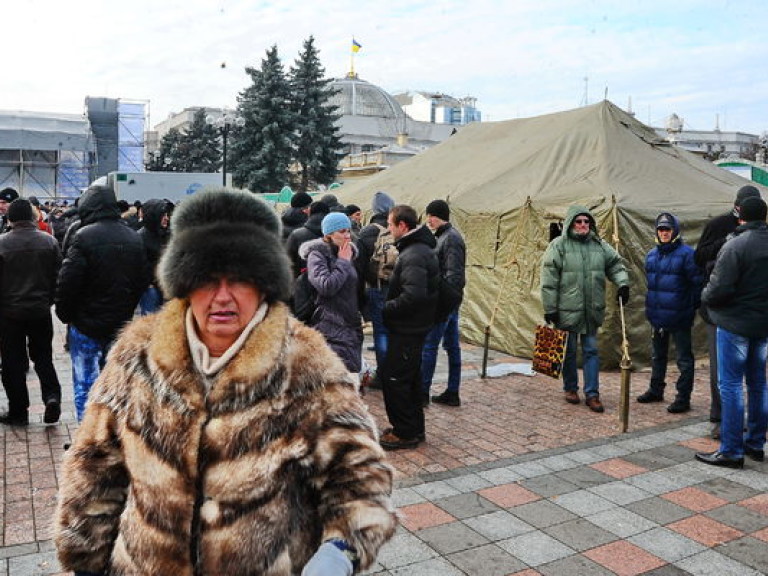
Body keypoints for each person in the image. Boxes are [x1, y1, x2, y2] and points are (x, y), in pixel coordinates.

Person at [54, 189, 396, 576]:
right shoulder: (137, 356)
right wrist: (85, 559)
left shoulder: (306, 365)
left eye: (240, 280)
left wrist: (340, 549)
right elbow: (95, 467)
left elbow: (358, 473)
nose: (222, 297)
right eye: (205, 279)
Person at [54, 180, 148, 420]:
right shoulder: (133, 237)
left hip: (86, 324)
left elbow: (68, 280)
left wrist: (66, 314)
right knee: (116, 384)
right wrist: (127, 309)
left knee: (85, 385)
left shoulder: (83, 236)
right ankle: (112, 434)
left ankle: (88, 440)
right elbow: (141, 280)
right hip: (119, 323)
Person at [696, 197, 768, 469]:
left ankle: (731, 450)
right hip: (762, 325)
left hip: (734, 324)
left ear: (741, 217)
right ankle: (756, 443)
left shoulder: (735, 245)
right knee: (759, 383)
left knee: (732, 386)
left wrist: (704, 295)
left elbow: (717, 289)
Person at [540, 205, 629, 413]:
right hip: (566, 310)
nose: (582, 225)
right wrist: (550, 307)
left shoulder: (599, 245)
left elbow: (615, 265)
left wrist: (623, 283)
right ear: (571, 223)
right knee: (569, 352)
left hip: (591, 310)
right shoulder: (559, 246)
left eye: (586, 222)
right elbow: (549, 279)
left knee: (591, 351)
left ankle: (592, 394)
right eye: (579, 221)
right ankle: (570, 387)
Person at [379, 205, 439, 450]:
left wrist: (387, 307)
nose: (389, 229)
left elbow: (414, 295)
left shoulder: (413, 253)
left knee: (396, 379)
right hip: (413, 327)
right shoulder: (418, 249)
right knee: (410, 378)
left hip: (408, 328)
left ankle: (404, 432)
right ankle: (413, 428)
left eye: (391, 225)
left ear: (403, 226)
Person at [0, 199, 62, 426]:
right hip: (40, 311)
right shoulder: (49, 242)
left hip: (9, 314)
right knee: (43, 357)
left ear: (11, 219)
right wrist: (49, 301)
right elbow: (59, 277)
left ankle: (18, 411)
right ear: (33, 217)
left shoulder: (2, 244)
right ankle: (52, 397)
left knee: (12, 363)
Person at [637, 213, 702, 413]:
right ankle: (656, 389)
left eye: (667, 229)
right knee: (658, 356)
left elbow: (697, 284)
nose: (664, 233)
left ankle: (683, 397)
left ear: (675, 231)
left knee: (684, 359)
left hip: (680, 316)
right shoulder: (651, 256)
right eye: (661, 229)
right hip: (658, 316)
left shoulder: (687, 254)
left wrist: (690, 307)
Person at [299, 212, 364, 384]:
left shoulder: (347, 253)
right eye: (342, 231)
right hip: (329, 325)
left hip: (349, 323)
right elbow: (325, 286)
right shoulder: (317, 255)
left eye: (348, 231)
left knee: (349, 378)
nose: (347, 236)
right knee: (335, 382)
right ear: (329, 234)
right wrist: (343, 262)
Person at [421, 199, 466, 407]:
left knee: (431, 347)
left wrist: (443, 304)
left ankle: (423, 391)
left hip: (445, 302)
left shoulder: (450, 238)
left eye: (430, 216)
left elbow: (453, 275)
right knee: (451, 347)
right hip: (449, 301)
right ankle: (452, 390)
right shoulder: (445, 236)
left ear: (437, 216)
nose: (428, 220)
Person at [356, 191, 396, 387]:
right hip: (396, 288)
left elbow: (359, 267)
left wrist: (360, 298)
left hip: (376, 288)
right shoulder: (396, 228)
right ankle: (393, 372)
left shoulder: (366, 232)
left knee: (380, 333)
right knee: (393, 331)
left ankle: (382, 375)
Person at [138, 198, 172, 315]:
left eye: (167, 215)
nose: (167, 218)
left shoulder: (170, 235)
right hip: (151, 289)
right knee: (150, 322)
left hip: (168, 288)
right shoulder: (140, 238)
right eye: (163, 215)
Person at [286, 200, 330, 278]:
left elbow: (289, 262)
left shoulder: (296, 235)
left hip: (303, 282)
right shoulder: (337, 233)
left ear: (309, 213)